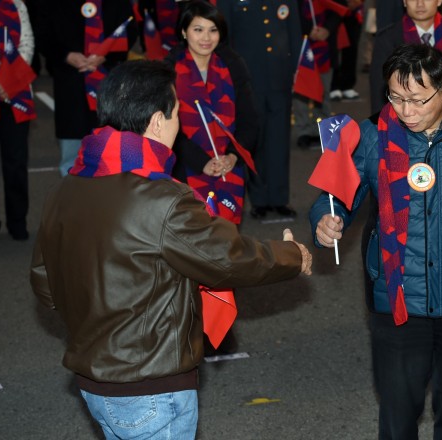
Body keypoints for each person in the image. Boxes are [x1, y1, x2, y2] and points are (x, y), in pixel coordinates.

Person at [30, 60, 312, 440]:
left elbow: (45, 285)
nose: (179, 122)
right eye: (177, 111)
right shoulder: (162, 198)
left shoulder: (67, 187)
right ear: (158, 121)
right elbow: (227, 258)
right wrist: (292, 255)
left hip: (94, 381)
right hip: (151, 385)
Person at [310, 44, 442, 439]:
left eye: (416, 99)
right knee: (397, 411)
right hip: (397, 297)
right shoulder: (373, 133)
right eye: (396, 97)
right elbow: (336, 196)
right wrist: (326, 221)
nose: (405, 111)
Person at [168, 0, 258, 225]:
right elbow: (163, 129)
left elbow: (250, 121)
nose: (206, 38)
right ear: (184, 31)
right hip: (184, 171)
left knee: (227, 241)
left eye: (213, 30)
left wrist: (232, 156)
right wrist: (201, 162)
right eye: (198, 30)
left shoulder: (233, 65)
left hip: (229, 169)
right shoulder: (168, 70)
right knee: (191, 240)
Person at [217, 0, 302, 219]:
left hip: (279, 78)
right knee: (254, 139)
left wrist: (293, 73)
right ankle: (260, 199)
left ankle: (279, 198)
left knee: (279, 140)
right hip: (248, 80)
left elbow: (294, 33)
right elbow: (226, 39)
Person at [33, 0, 136, 176]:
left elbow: (130, 27)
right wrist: (65, 56)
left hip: (109, 82)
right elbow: (41, 30)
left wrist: (106, 54)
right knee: (71, 159)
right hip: (70, 82)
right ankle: (73, 201)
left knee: (111, 155)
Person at [370, 0, 442, 113]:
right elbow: (379, 88)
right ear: (404, 2)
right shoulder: (388, 39)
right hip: (405, 116)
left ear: (440, 1)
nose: (420, 3)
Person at [0, 0, 35, 242]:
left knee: (16, 162)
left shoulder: (17, 4)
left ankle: (17, 220)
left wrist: (6, 79)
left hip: (15, 92)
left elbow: (27, 45)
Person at [294, 0, 342, 149]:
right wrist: (309, 30)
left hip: (325, 47)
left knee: (323, 91)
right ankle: (304, 132)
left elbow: (338, 9)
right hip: (301, 46)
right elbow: (289, 14)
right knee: (301, 92)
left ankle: (323, 131)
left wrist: (326, 29)